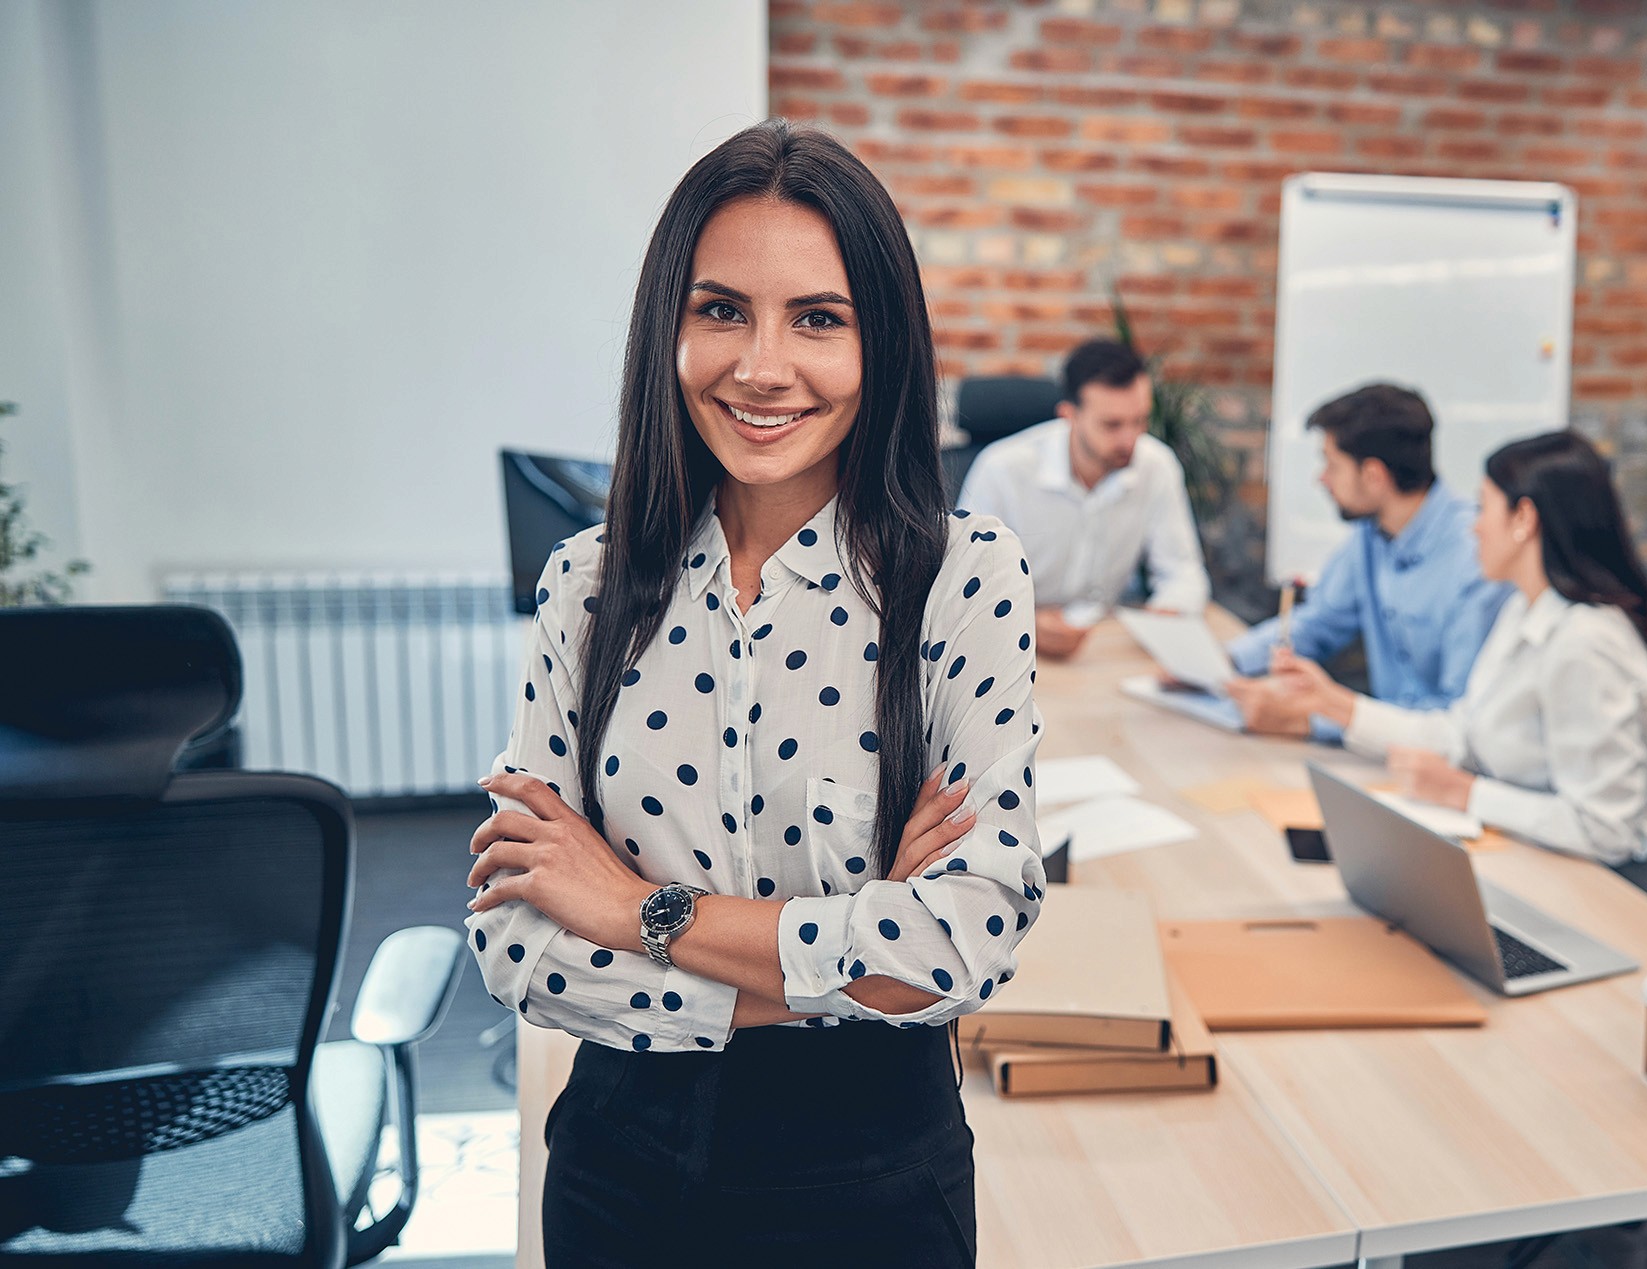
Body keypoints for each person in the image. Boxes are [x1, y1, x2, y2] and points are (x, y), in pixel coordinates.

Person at [464, 120, 1046, 1267]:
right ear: (667, 329)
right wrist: (850, 966)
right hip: (617, 1165)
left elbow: (964, 940)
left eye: (817, 319)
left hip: (871, 1174)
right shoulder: (586, 585)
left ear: (879, 342)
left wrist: (637, 911)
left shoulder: (963, 578)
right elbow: (516, 942)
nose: (761, 367)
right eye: (720, 309)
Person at [1264, 430, 1647, 866]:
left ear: (1524, 519)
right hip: (1534, 856)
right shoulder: (1524, 608)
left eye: (1485, 508)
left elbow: (1606, 831)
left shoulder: (1586, 644)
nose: (1474, 526)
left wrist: (1466, 794)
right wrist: (1335, 704)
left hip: (1604, 890)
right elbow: (1463, 734)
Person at [1226, 383, 1507, 742]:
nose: (1321, 479)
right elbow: (1320, 621)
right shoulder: (1370, 535)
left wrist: (1310, 721)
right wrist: (1227, 663)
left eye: (1331, 464)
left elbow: (1456, 718)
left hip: (1436, 762)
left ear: (1374, 476)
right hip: (1380, 750)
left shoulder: (1477, 560)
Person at [957, 338, 1210, 659]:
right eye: (1112, 424)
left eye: (1140, 421)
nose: (1130, 439)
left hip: (1105, 644)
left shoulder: (1156, 465)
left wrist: (1169, 612)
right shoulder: (1003, 470)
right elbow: (965, 590)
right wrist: (1024, 623)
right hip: (1013, 647)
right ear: (1069, 415)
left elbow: (1182, 571)